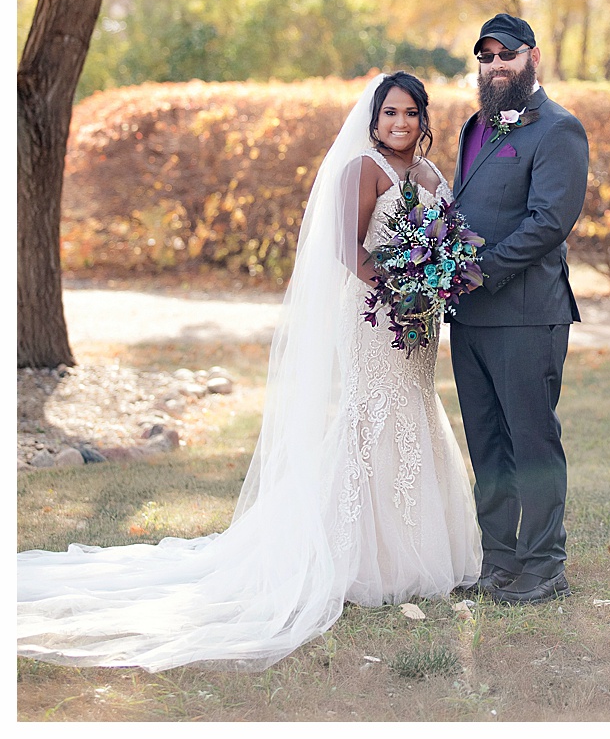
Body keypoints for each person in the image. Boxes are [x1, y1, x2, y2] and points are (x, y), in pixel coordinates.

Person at [18, 73, 481, 670]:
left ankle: (415, 550)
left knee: (415, 410)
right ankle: (356, 556)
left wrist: (434, 284)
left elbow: (441, 241)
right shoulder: (362, 170)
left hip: (420, 322)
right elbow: (348, 249)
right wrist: (401, 288)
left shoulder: (432, 176)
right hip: (374, 315)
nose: (401, 123)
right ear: (373, 119)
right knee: (372, 419)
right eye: (390, 112)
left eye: (412, 113)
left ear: (424, 119)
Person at [448, 13, 590, 605]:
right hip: (469, 315)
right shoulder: (474, 126)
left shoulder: (558, 129)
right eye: (486, 56)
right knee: (486, 441)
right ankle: (500, 562)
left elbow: (549, 222)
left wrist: (480, 270)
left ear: (533, 56)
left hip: (528, 312)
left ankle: (544, 565)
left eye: (506, 54)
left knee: (532, 439)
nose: (496, 65)